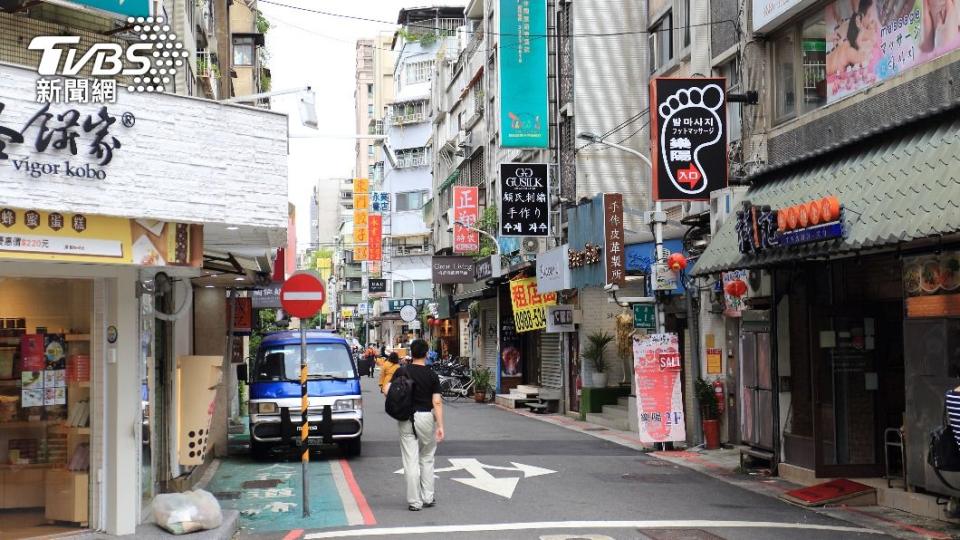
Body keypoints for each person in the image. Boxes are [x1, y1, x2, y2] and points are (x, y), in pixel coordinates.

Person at [387, 339, 444, 511]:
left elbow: (387, 390)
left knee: (410, 460)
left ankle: (414, 502)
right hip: (426, 417)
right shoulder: (432, 375)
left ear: (411, 353)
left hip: (406, 417)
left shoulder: (401, 371)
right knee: (426, 457)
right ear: (427, 354)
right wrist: (440, 426)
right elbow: (437, 402)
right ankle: (428, 497)